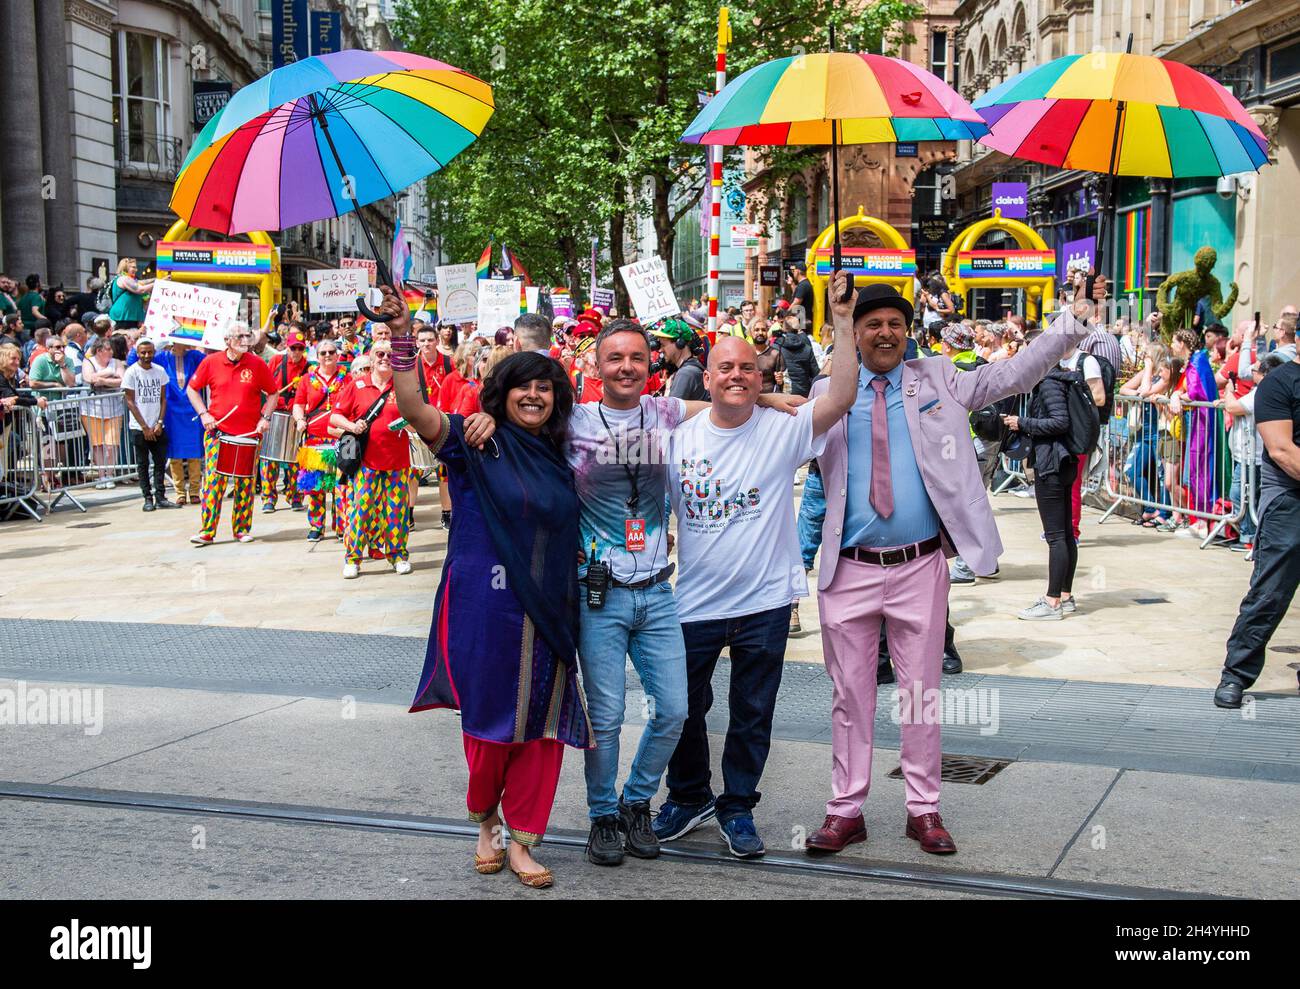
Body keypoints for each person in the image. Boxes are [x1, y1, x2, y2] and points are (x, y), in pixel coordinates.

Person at [802, 283, 1092, 857]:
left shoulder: (938, 378)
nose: (885, 332)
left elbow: (1011, 375)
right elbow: (773, 428)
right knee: (849, 697)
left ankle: (923, 809)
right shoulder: (827, 395)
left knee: (922, 694)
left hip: (920, 566)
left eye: (895, 322)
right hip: (848, 571)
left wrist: (1072, 323)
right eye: (872, 323)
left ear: (908, 330)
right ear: (854, 333)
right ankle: (845, 810)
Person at [654, 272, 858, 859]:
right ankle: (689, 795)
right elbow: (627, 411)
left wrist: (841, 323)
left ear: (763, 375)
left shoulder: (785, 429)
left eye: (749, 369)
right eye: (726, 368)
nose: (737, 376)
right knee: (682, 707)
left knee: (752, 713)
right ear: (707, 375)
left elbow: (841, 397)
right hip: (692, 601)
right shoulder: (678, 435)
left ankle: (738, 805)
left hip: (766, 602)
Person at [393, 316, 593, 888]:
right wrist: (403, 337)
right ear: (500, 396)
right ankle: (486, 823)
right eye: (521, 387)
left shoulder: (563, 453)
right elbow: (413, 407)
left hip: (551, 608)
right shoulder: (472, 441)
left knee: (543, 723)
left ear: (556, 399)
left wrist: (770, 397)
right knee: (487, 721)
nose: (533, 395)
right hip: (485, 603)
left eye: (544, 387)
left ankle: (526, 838)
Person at [1216, 348, 1300, 709]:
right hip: (1289, 500)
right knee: (1270, 593)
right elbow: (1282, 449)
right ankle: (1236, 674)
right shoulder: (1280, 383)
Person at [1006, 343, 1099, 621]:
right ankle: (1065, 595)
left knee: (1056, 536)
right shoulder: (1060, 379)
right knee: (1065, 534)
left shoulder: (1049, 383)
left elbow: (1059, 422)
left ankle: (1052, 601)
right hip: (1064, 460)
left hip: (1053, 463)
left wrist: (1022, 423)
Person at [186, 323, 279, 545]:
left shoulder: (256, 363)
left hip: (248, 434)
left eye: (248, 335)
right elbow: (192, 389)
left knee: (245, 483)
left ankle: (242, 528)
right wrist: (203, 414)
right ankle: (207, 531)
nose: (245, 339)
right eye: (240, 336)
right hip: (218, 431)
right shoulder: (211, 362)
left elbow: (273, 393)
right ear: (228, 340)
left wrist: (265, 418)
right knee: (214, 483)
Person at [330, 341, 412, 578]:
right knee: (361, 510)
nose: (384, 358)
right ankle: (353, 558)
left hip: (397, 460)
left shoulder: (403, 385)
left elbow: (418, 412)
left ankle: (398, 555)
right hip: (366, 461)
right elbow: (336, 416)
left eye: (389, 354)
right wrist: (352, 426)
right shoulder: (356, 385)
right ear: (371, 357)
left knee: (396, 511)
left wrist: (411, 423)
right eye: (380, 354)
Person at [291, 339, 349, 541]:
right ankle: (316, 526)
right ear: (317, 356)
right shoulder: (307, 379)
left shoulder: (347, 377)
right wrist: (299, 420)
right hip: (315, 439)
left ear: (337, 354)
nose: (327, 356)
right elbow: (298, 404)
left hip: (341, 438)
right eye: (323, 352)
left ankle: (342, 526)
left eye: (331, 351)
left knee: (341, 486)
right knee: (316, 486)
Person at [1221, 346, 1273, 553]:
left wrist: (1228, 392)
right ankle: (1249, 535)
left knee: (1241, 494)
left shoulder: (1261, 392)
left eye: (1255, 369)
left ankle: (1250, 536)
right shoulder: (1255, 391)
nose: (1251, 372)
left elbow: (1233, 407)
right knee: (1242, 495)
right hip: (1247, 454)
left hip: (1254, 456)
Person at [259, 328, 309, 513]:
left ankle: (295, 496)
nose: (296, 352)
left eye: (300, 348)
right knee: (269, 458)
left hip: (295, 415)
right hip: (274, 412)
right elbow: (264, 384)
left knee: (295, 460)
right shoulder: (276, 361)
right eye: (293, 348)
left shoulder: (308, 367)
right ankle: (268, 498)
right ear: (287, 348)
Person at [122, 339, 175, 511]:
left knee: (160, 463)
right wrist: (144, 426)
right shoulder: (131, 372)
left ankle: (160, 496)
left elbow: (163, 399)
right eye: (143, 352)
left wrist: (159, 422)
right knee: (142, 464)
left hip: (157, 425)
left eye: (149, 352)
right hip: (139, 427)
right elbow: (130, 401)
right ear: (137, 353)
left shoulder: (159, 371)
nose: (146, 356)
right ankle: (147, 498)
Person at [157, 341, 205, 505]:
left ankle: (194, 490)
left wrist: (199, 345)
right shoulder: (162, 357)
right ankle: (179, 492)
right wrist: (155, 341)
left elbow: (210, 362)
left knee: (194, 452)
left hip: (192, 409)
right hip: (171, 412)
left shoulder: (193, 356)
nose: (178, 345)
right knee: (175, 453)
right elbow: (133, 359)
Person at [80, 337, 126, 489]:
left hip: (114, 408)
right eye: (108, 349)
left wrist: (104, 380)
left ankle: (110, 474)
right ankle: (101, 475)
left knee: (112, 444)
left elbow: (122, 379)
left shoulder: (117, 362)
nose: (111, 352)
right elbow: (89, 378)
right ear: (99, 351)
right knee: (97, 444)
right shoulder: (89, 361)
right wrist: (109, 374)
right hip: (92, 409)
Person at [651, 318, 708, 402]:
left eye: (663, 345)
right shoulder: (688, 368)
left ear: (679, 343)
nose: (660, 350)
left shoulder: (686, 373)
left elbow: (671, 411)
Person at [774, 318, 821, 397]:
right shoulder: (807, 348)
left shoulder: (776, 347)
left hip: (783, 394)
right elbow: (815, 374)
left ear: (784, 328)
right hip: (804, 393)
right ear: (798, 328)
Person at [106, 258, 153, 330]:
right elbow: (141, 289)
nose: (136, 270)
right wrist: (158, 283)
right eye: (133, 267)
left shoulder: (132, 280)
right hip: (122, 317)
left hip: (131, 317)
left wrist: (158, 279)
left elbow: (143, 282)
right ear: (125, 267)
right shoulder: (123, 279)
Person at [751, 318, 785, 393]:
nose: (760, 333)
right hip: (747, 399)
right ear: (750, 332)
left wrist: (781, 382)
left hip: (768, 400)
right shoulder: (745, 352)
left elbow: (784, 384)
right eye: (756, 330)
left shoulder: (775, 354)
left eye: (763, 330)